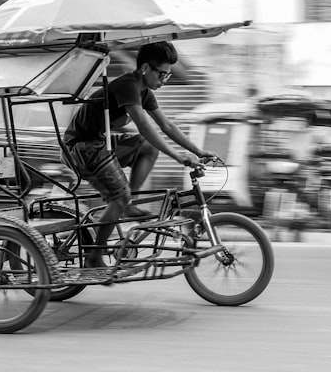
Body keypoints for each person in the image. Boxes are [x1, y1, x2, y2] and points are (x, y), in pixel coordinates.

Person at [63, 41, 216, 266]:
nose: (164, 80)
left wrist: (197, 151)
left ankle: (127, 203)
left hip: (98, 142)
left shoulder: (145, 91)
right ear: (146, 68)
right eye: (162, 74)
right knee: (119, 196)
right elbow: (145, 127)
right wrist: (178, 156)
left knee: (147, 147)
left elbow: (167, 126)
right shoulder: (128, 85)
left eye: (168, 76)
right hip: (79, 147)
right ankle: (94, 255)